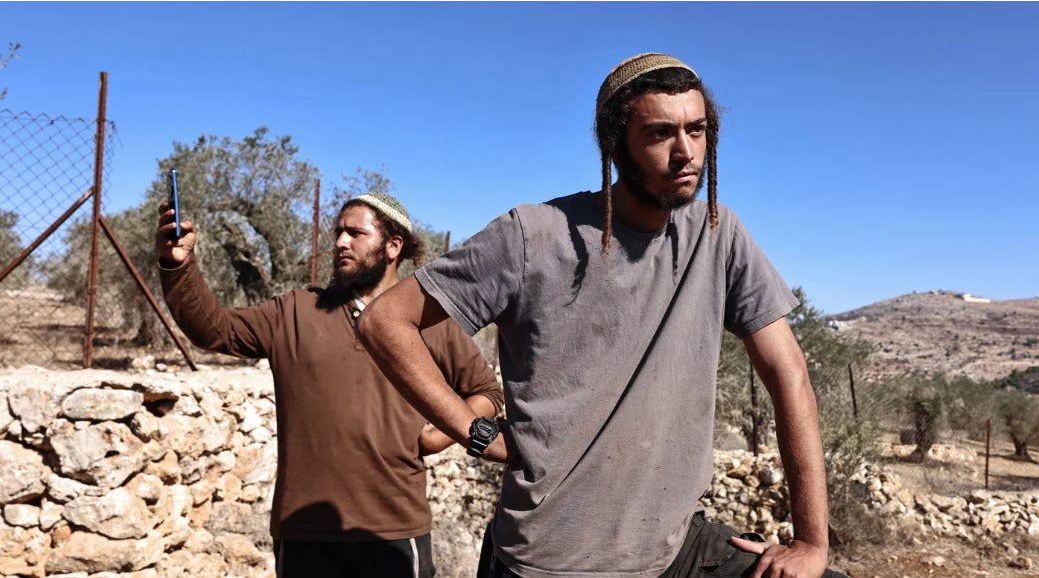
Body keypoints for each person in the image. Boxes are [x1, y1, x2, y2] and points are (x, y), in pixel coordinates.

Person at [357, 53, 848, 578]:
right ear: (615, 143)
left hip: (673, 545)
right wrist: (474, 432)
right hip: (554, 557)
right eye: (660, 133)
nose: (686, 152)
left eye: (697, 129)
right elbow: (385, 323)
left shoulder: (717, 232)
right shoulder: (534, 235)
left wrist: (810, 541)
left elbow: (789, 374)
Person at [155, 191, 504, 578]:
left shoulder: (430, 322)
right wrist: (179, 267)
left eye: (355, 233)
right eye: (338, 232)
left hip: (394, 527)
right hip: (305, 531)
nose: (340, 242)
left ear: (393, 246)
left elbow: (487, 392)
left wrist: (437, 438)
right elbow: (214, 329)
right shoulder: (295, 312)